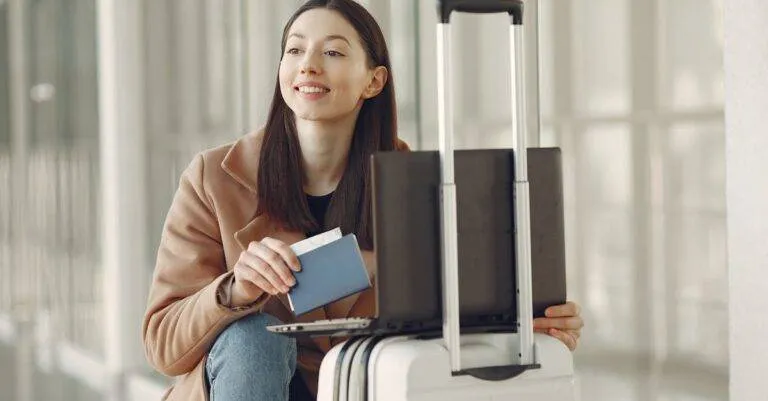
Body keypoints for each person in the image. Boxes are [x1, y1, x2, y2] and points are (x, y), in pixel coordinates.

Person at [141, 1, 584, 400]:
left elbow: (448, 315)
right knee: (254, 336)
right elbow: (164, 346)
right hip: (250, 384)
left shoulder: (416, 184)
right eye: (294, 51)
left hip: (358, 386)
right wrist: (235, 290)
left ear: (373, 81)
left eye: (332, 53)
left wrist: (528, 324)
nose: (308, 66)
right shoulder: (214, 178)